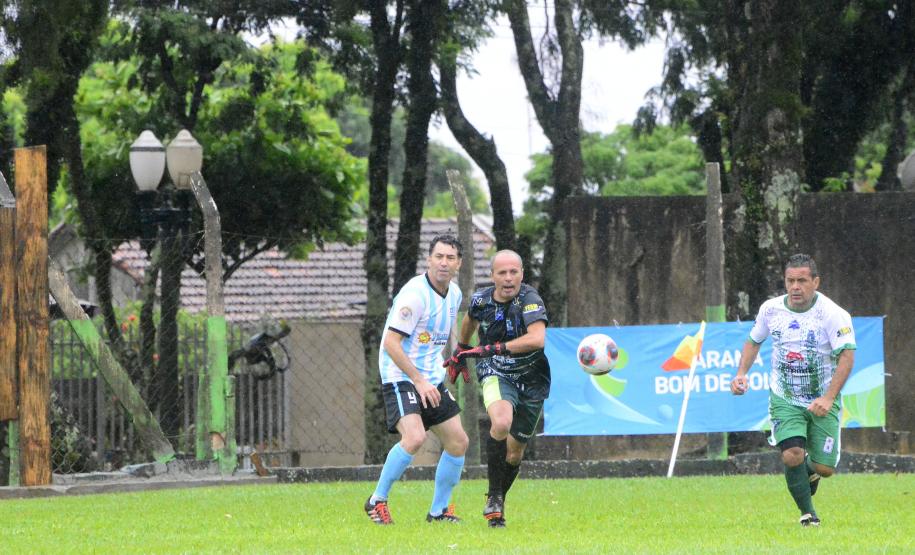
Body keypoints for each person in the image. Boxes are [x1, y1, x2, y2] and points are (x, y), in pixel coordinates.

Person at [730, 254, 855, 527]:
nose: (795, 286)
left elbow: (847, 357)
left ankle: (807, 473)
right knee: (792, 454)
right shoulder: (770, 310)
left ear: (815, 282)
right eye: (790, 281)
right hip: (785, 397)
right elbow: (754, 341)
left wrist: (829, 397)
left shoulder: (833, 314)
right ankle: (808, 514)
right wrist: (741, 374)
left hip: (823, 398)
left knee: (825, 468)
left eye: (802, 280)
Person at [364, 235, 469, 525]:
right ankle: (376, 500)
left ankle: (438, 512)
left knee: (458, 442)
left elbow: (438, 339)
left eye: (450, 258)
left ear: (458, 263)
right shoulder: (414, 295)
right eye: (439, 256)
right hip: (401, 375)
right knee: (414, 437)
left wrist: (454, 358)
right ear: (429, 259)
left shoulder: (455, 294)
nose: (443, 263)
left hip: (429, 378)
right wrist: (419, 380)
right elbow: (392, 344)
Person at [445, 250, 550, 528]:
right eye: (502, 273)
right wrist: (462, 349)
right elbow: (469, 320)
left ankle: (498, 501)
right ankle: (493, 497)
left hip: (532, 378)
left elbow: (537, 339)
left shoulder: (530, 300)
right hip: (495, 371)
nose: (508, 278)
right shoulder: (480, 300)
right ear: (492, 276)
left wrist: (498, 346)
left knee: (514, 452)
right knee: (501, 422)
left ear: (521, 274)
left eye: (513, 272)